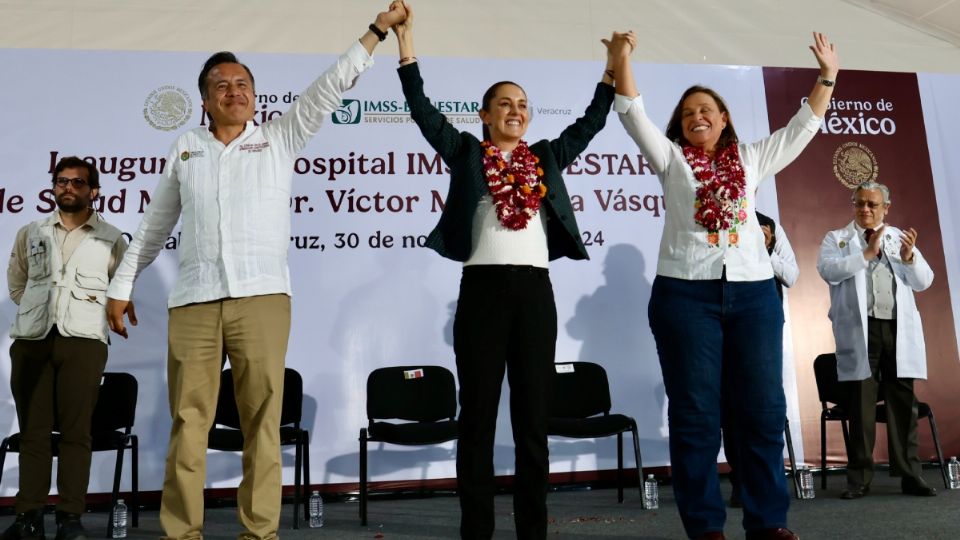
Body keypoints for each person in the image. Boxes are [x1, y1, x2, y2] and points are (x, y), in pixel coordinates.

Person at [103, 5, 407, 539]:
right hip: (194, 302)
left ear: (255, 95)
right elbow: (152, 229)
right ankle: (182, 532)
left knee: (263, 422)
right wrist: (120, 287)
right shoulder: (187, 148)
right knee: (189, 423)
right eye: (221, 85)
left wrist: (378, 30)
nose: (233, 90)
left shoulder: (279, 139)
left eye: (242, 82)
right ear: (205, 100)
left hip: (262, 300)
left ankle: (259, 532)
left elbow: (331, 84)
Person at [390, 3, 622, 537]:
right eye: (504, 104)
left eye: (522, 104)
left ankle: (532, 530)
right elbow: (424, 111)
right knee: (477, 419)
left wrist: (611, 72)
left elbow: (588, 127)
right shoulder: (469, 153)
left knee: (532, 421)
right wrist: (406, 48)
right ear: (485, 114)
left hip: (535, 294)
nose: (515, 110)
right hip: (483, 292)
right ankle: (478, 529)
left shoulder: (543, 158)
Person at [609, 31, 838, 540]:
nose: (697, 117)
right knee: (695, 416)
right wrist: (621, 59)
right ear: (681, 124)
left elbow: (804, 126)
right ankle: (706, 527)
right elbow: (631, 113)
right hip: (685, 296)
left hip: (754, 296)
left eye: (707, 109)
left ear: (725, 117)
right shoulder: (670, 161)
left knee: (760, 411)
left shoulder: (751, 158)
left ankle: (767, 522)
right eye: (688, 112)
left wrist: (827, 76)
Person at [3, 156, 127, 540]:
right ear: (53, 187)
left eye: (77, 182)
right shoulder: (31, 232)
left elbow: (120, 290)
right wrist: (41, 312)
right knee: (34, 433)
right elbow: (18, 285)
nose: (68, 188)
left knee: (76, 433)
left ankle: (70, 517)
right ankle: (29, 516)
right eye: (61, 181)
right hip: (32, 340)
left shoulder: (112, 238)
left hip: (84, 341)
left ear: (93, 191)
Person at [816, 181, 936, 500]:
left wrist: (910, 259)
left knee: (902, 404)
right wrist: (865, 255)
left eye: (872, 204)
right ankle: (859, 478)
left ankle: (910, 475)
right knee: (861, 406)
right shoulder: (837, 239)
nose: (865, 210)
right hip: (862, 330)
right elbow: (828, 270)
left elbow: (924, 282)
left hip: (897, 329)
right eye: (860, 204)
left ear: (886, 207)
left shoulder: (899, 239)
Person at [725, 210, 799, 507]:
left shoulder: (768, 224)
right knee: (730, 404)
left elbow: (791, 275)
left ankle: (766, 480)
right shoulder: (711, 214)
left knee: (764, 401)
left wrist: (765, 248)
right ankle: (741, 480)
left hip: (763, 322)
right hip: (722, 321)